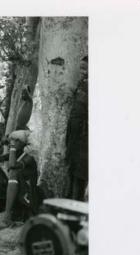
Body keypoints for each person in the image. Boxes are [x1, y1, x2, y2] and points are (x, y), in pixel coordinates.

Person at [66, 56, 88, 201]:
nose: (82, 71)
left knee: (79, 175)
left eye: (85, 68)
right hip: (75, 135)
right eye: (81, 68)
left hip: (83, 136)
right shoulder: (82, 84)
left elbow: (81, 111)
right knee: (73, 170)